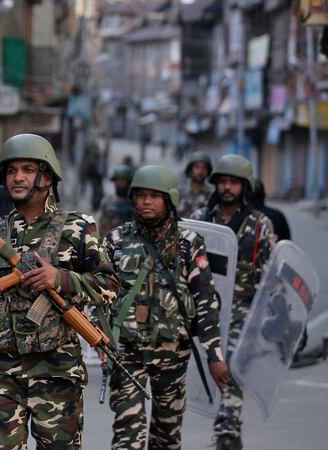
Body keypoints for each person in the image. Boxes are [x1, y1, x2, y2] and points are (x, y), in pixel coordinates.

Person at [0, 133, 119, 449]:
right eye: (12, 171)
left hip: (57, 373)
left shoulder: (77, 228)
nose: (18, 177)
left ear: (47, 176)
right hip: (2, 372)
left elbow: (109, 287)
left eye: (28, 169)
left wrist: (60, 279)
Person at [103, 165, 229, 450]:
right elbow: (98, 295)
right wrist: (100, 341)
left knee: (167, 438)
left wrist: (214, 354)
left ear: (169, 200)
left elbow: (205, 300)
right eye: (142, 195)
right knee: (127, 438)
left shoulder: (188, 243)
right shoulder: (115, 241)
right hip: (127, 354)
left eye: (155, 196)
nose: (147, 201)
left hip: (172, 353)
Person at [191, 154, 275, 450]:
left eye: (234, 183)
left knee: (233, 362)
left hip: (243, 308)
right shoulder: (202, 220)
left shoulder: (260, 225)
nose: (227, 187)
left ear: (244, 187)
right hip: (205, 306)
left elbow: (271, 275)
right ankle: (229, 429)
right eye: (223, 181)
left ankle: (227, 425)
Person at [98, 164, 134, 235]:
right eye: (118, 180)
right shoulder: (107, 201)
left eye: (123, 181)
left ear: (128, 182)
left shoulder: (134, 203)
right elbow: (102, 225)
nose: (120, 183)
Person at [178, 150, 214, 218]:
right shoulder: (180, 192)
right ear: (190, 170)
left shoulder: (211, 195)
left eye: (204, 168)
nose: (200, 171)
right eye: (197, 167)